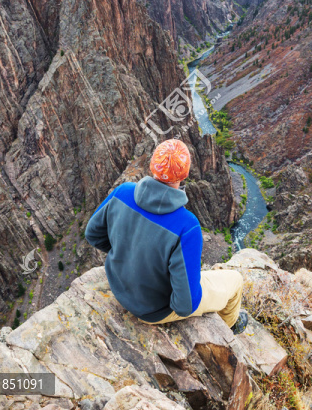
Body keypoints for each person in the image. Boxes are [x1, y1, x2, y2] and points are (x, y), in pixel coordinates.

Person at [85, 139, 249, 334]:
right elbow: (185, 305)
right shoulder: (187, 226)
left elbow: (93, 234)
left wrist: (126, 254)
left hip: (118, 286)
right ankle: (230, 328)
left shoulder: (122, 192)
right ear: (185, 173)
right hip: (153, 310)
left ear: (152, 165)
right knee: (235, 280)